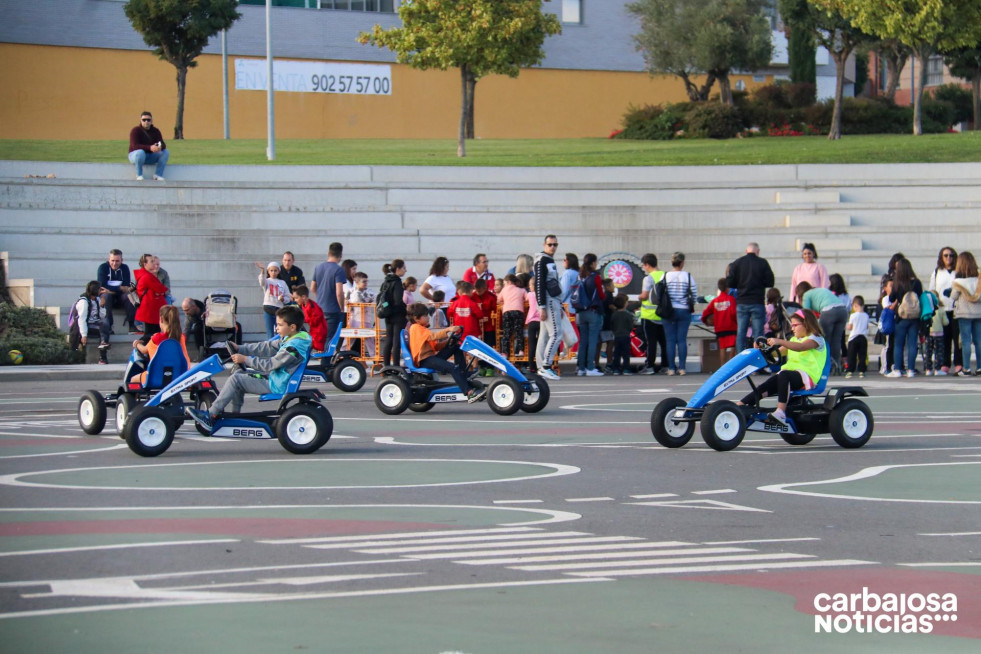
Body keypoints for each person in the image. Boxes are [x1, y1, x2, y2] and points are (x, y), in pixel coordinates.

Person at [187, 306, 312, 431]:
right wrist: (240, 348)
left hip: (277, 384)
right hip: (276, 378)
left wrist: (246, 359)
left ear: (292, 327)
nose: (277, 328)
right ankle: (235, 415)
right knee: (239, 372)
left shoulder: (293, 348)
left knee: (236, 380)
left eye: (279, 325)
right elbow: (266, 347)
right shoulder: (292, 338)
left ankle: (210, 415)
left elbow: (270, 364)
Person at [738, 309, 828, 428]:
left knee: (783, 375)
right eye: (792, 325)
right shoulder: (793, 340)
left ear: (806, 324)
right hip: (790, 375)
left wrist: (779, 341)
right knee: (768, 383)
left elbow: (800, 347)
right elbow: (776, 353)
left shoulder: (816, 339)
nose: (792, 328)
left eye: (795, 325)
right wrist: (762, 349)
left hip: (808, 377)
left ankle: (780, 412)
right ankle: (739, 406)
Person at [406, 303, 485, 402]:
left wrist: (448, 342)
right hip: (424, 360)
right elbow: (433, 337)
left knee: (456, 347)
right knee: (452, 368)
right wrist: (448, 329)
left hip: (431, 357)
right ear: (416, 318)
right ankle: (469, 393)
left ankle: (463, 374)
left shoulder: (422, 329)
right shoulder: (415, 328)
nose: (428, 318)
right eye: (425, 316)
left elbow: (435, 346)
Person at [726, 242, 775, 352]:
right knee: (759, 333)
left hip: (742, 302)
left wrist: (740, 284)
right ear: (758, 251)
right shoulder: (762, 263)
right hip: (757, 302)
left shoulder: (737, 263)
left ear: (746, 251)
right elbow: (770, 282)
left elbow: (729, 282)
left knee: (741, 333)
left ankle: (740, 358)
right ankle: (759, 357)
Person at [796, 281, 848, 374]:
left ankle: (825, 366)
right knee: (836, 341)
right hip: (843, 311)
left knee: (823, 340)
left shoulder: (806, 295)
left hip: (829, 311)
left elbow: (806, 313)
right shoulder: (819, 290)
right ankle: (837, 367)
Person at [884, 258, 924, 378]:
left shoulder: (898, 283)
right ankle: (910, 369)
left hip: (901, 316)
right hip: (915, 316)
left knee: (899, 344)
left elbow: (891, 298)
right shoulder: (917, 282)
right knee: (912, 344)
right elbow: (920, 296)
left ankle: (897, 369)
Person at [131, 305, 190, 384]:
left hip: (157, 375)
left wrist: (136, 344)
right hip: (180, 374)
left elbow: (144, 350)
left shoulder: (157, 338)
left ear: (161, 319)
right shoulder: (181, 337)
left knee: (133, 380)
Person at [533, 235, 563, 381]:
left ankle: (541, 366)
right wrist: (541, 306)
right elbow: (539, 284)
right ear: (544, 244)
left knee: (544, 336)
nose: (553, 247)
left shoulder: (548, 260)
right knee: (556, 334)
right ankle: (545, 366)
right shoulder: (542, 261)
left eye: (555, 245)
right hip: (549, 301)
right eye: (550, 244)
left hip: (552, 300)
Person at [662, 252, 697, 375]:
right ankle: (682, 368)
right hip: (684, 310)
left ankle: (671, 368)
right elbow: (694, 294)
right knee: (681, 340)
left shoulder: (666, 276)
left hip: (669, 311)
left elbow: (661, 293)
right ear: (682, 263)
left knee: (670, 341)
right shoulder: (687, 276)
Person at [572, 253, 606, 377]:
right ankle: (590, 367)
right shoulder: (595, 277)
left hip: (580, 312)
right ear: (593, 263)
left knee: (583, 342)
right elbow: (601, 295)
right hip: (593, 311)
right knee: (592, 341)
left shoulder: (580, 276)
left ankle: (580, 368)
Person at [929, 247, 962, 374]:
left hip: (956, 309)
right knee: (945, 338)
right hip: (942, 309)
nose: (949, 258)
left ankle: (959, 363)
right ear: (941, 257)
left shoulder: (958, 272)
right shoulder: (937, 272)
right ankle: (945, 363)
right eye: (946, 255)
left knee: (957, 338)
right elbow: (932, 290)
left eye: (951, 255)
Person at [949, 251, 981, 376]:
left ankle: (966, 368)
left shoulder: (958, 281)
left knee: (966, 341)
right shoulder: (979, 280)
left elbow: (953, 296)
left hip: (964, 313)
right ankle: (979, 368)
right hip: (978, 314)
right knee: (979, 341)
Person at [310, 242, 347, 343]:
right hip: (333, 310)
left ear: (328, 253)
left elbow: (313, 287)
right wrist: (342, 308)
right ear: (341, 255)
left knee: (321, 338)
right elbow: (339, 292)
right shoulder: (339, 270)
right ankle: (326, 359)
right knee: (330, 341)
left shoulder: (318, 267)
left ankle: (321, 357)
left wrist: (320, 298)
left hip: (320, 309)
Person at [637, 253, 667, 374]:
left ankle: (649, 366)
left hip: (649, 316)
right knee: (664, 342)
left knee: (651, 343)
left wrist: (639, 297)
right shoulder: (665, 275)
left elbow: (644, 296)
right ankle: (666, 365)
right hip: (663, 315)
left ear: (647, 265)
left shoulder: (648, 278)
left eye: (644, 266)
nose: (644, 268)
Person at [70, 280, 111, 364]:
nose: (101, 291)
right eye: (99, 289)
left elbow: (102, 316)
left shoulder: (98, 299)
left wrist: (102, 306)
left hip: (95, 323)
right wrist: (84, 335)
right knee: (103, 329)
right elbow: (82, 319)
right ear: (95, 290)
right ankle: (103, 356)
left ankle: (102, 355)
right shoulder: (84, 301)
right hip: (83, 326)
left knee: (105, 324)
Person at [97, 249, 137, 334]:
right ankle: (109, 327)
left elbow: (126, 286)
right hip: (107, 297)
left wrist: (111, 290)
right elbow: (102, 286)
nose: (114, 263)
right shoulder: (103, 268)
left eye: (117, 261)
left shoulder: (125, 268)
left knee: (129, 296)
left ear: (122, 260)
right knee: (106, 296)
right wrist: (119, 288)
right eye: (112, 260)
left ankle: (132, 325)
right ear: (109, 259)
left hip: (120, 297)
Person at [701, 278, 738, 365]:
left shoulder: (715, 301)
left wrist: (706, 322)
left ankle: (722, 365)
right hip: (731, 326)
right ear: (727, 288)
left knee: (722, 347)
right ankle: (731, 365)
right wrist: (737, 322)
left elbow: (705, 313)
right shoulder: (731, 299)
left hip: (720, 327)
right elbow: (733, 313)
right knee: (733, 346)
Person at [378, 260, 407, 367]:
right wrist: (404, 309)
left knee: (388, 340)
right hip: (397, 315)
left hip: (387, 314)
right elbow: (398, 300)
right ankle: (395, 366)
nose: (405, 270)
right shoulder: (397, 282)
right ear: (398, 269)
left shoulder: (386, 282)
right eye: (404, 268)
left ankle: (386, 366)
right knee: (396, 342)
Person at [134, 253, 168, 339]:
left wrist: (160, 292)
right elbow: (162, 289)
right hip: (150, 310)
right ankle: (139, 348)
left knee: (152, 334)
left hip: (151, 309)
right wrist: (160, 292)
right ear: (145, 264)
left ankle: (144, 350)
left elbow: (161, 290)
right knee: (151, 335)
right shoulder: (147, 276)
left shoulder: (146, 275)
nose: (154, 263)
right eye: (151, 261)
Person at [128, 111, 169, 181]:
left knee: (165, 152)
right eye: (144, 120)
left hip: (150, 156)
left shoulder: (155, 131)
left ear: (151, 121)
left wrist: (159, 147)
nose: (146, 122)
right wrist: (150, 147)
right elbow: (134, 146)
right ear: (140, 120)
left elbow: (163, 144)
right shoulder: (135, 131)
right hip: (136, 156)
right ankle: (139, 175)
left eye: (148, 120)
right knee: (140, 152)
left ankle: (158, 175)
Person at [257, 261, 289, 340]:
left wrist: (283, 299)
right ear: (268, 271)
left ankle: (279, 346)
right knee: (270, 331)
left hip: (279, 309)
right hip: (268, 307)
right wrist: (262, 271)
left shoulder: (282, 283)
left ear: (278, 271)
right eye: (271, 270)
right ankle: (270, 347)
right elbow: (262, 281)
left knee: (280, 331)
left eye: (275, 270)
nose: (273, 272)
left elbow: (288, 297)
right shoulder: (267, 281)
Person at [292, 284, 327, 353]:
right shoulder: (304, 305)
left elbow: (317, 319)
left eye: (296, 298)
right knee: (308, 346)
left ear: (303, 297)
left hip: (319, 331)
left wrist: (305, 320)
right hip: (314, 331)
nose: (295, 300)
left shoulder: (312, 306)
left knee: (316, 347)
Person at [499, 273, 527, 359]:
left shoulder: (504, 290)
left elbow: (499, 299)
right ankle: (521, 350)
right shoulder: (522, 290)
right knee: (518, 332)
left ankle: (504, 352)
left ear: (509, 282)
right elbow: (527, 298)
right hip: (518, 311)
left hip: (507, 311)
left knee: (507, 333)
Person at [922, 292, 947, 376]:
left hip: (929, 333)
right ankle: (938, 369)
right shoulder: (941, 309)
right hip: (939, 333)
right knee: (939, 352)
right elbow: (946, 322)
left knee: (928, 352)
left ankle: (928, 369)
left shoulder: (926, 310)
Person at [845, 296, 869, 379]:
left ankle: (850, 371)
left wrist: (847, 326)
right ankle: (862, 371)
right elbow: (867, 327)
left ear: (855, 305)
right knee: (862, 355)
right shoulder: (866, 315)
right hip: (863, 337)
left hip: (853, 337)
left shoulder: (853, 316)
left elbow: (850, 327)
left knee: (852, 355)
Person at [610, 294, 634, 375]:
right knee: (626, 353)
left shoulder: (614, 314)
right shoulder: (628, 315)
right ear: (624, 304)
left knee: (617, 353)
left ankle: (616, 369)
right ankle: (626, 369)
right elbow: (631, 326)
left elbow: (612, 325)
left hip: (616, 336)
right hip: (626, 336)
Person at [522, 273, 541, 372]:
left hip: (531, 321)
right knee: (540, 343)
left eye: (530, 285)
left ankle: (531, 366)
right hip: (541, 321)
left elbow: (525, 300)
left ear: (533, 286)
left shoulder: (529, 294)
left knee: (531, 344)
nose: (529, 287)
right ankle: (540, 364)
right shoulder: (541, 295)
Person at [559, 252, 580, 319]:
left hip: (567, 306)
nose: (563, 261)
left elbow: (563, 291)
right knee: (573, 326)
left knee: (569, 327)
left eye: (565, 260)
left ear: (570, 261)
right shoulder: (578, 273)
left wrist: (558, 302)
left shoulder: (567, 273)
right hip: (576, 305)